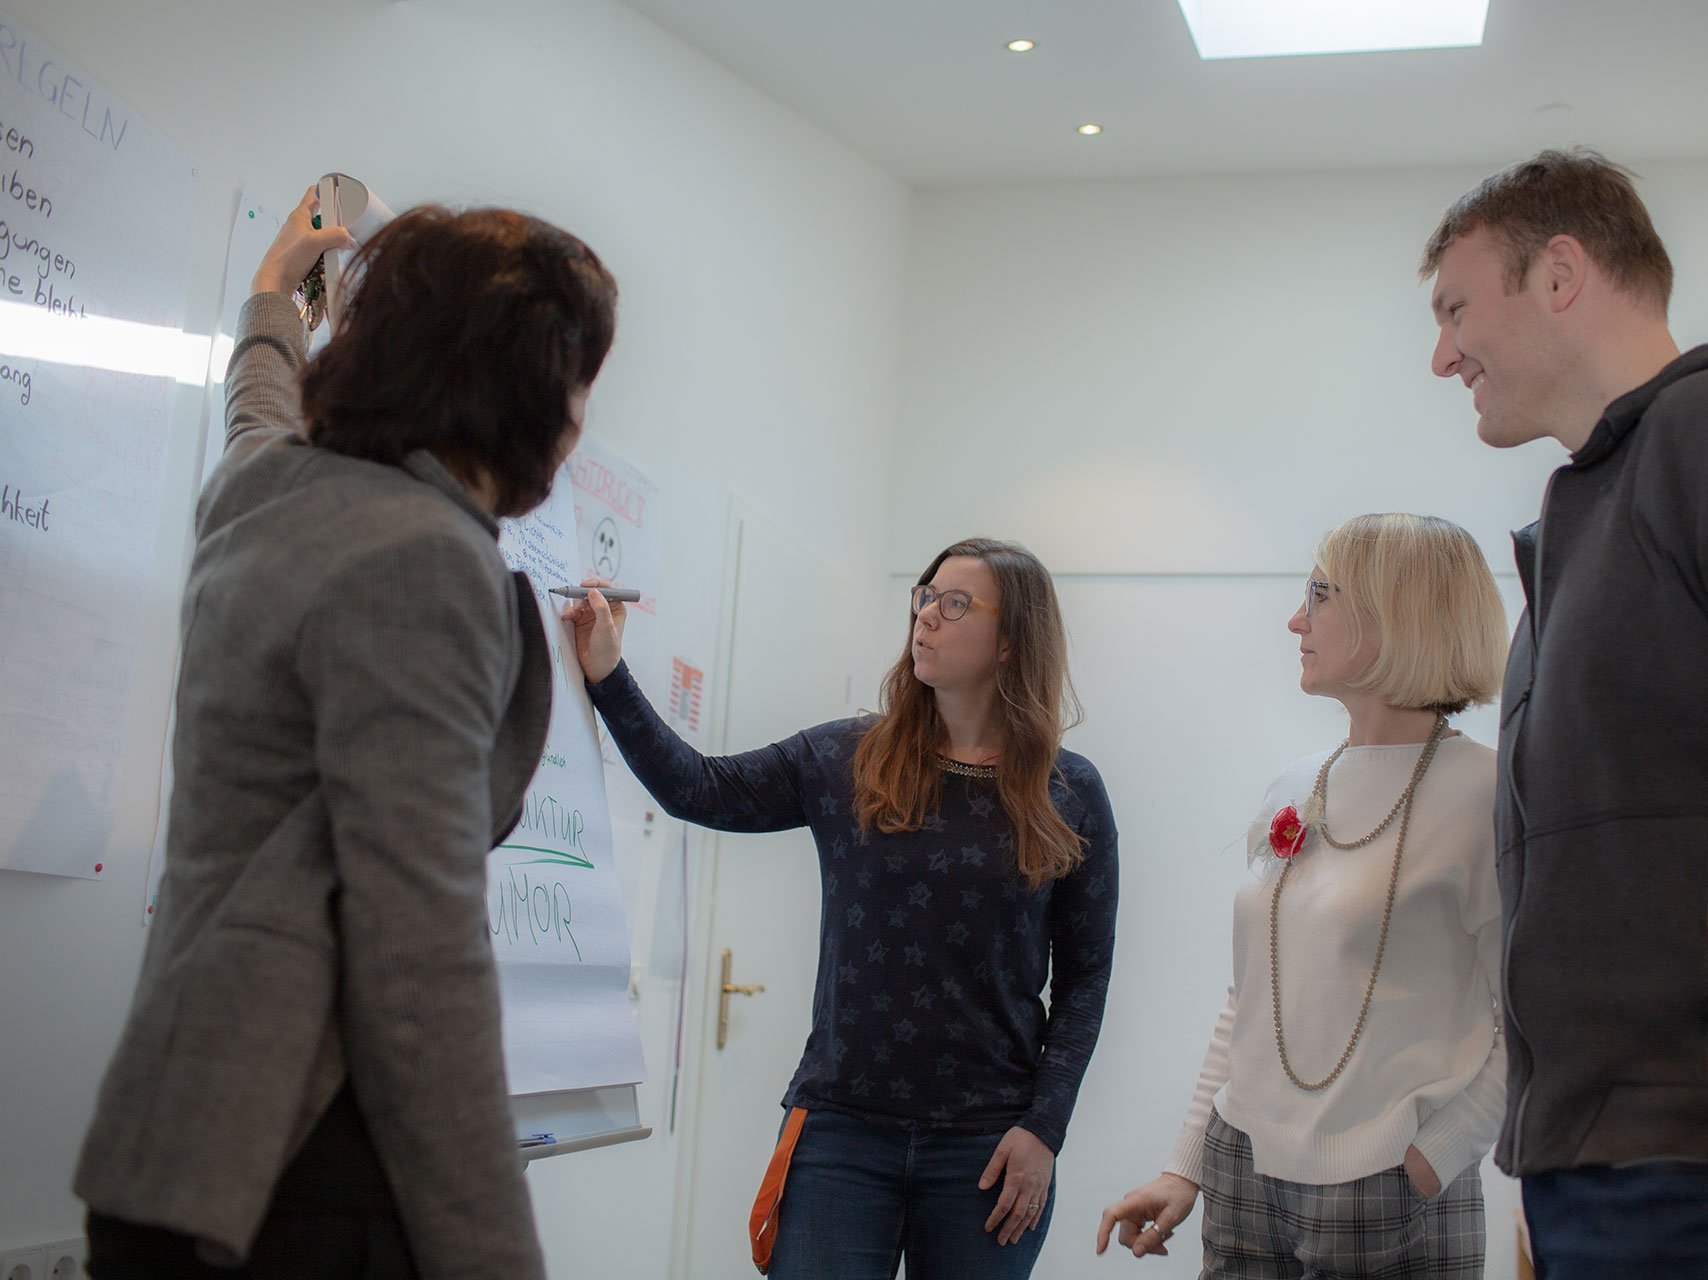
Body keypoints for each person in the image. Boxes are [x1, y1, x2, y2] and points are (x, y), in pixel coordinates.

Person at [75, 187, 618, 1279]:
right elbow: (418, 957)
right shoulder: (423, 558)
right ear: (518, 385)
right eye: (578, 379)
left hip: (171, 1151)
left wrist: (272, 300)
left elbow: (257, 415)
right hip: (306, 1170)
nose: (579, 416)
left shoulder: (261, 495)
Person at [565, 537, 1118, 1279]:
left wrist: (1044, 1129)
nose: (927, 617)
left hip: (988, 1147)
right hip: (841, 1134)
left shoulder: (1069, 793)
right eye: (924, 597)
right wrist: (606, 670)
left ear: (1013, 642)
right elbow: (696, 788)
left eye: (956, 604)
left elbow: (1085, 980)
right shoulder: (848, 757)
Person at [1420, 148, 1708, 1279]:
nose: (1441, 354)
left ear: (1559, 275)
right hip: (1598, 1159)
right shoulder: (1581, 520)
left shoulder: (1692, 440)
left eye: (1455, 307)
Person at [1098, 513, 1508, 1278]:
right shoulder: (1297, 782)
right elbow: (1251, 997)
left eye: (1319, 594)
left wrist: (1434, 1157)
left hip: (1387, 1183)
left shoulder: (1488, 793)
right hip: (1241, 1165)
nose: (1296, 619)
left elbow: (1530, 1011)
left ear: (1399, 611)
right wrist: (1187, 1162)